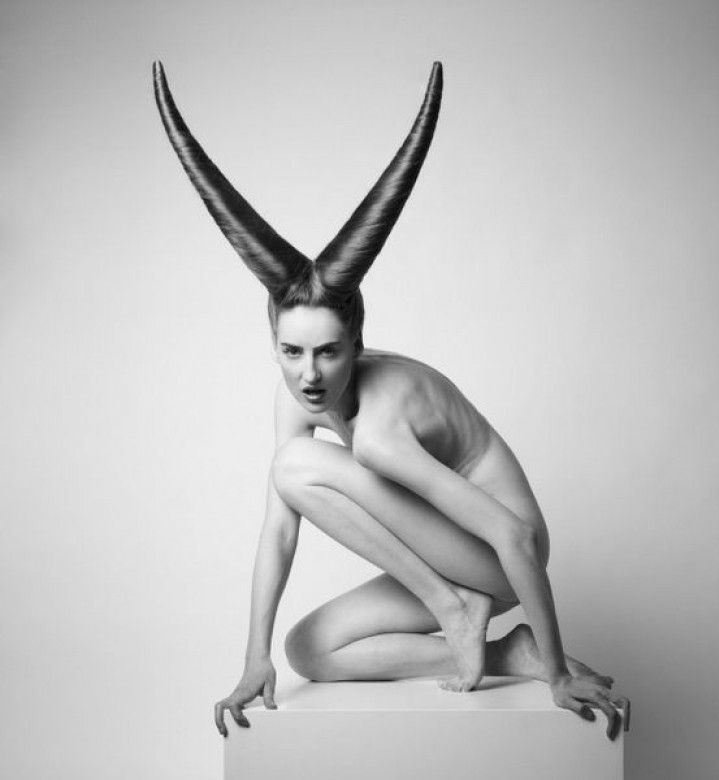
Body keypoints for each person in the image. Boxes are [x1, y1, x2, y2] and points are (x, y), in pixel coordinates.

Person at [153, 60, 630, 742]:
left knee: (292, 465)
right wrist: (254, 657)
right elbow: (280, 530)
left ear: (357, 342)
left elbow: (516, 536)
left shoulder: (381, 425)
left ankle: (463, 612)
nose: (309, 374)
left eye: (328, 351)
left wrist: (559, 674)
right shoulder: (298, 397)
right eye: (292, 351)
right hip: (451, 554)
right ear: (274, 344)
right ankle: (506, 653)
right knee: (309, 650)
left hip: (498, 556)